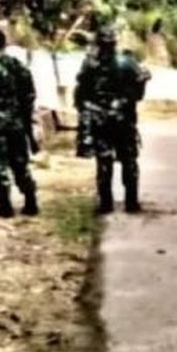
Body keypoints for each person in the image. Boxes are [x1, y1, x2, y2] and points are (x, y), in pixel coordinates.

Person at [75, 27, 150, 214]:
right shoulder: (122, 63)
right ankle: (123, 202)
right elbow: (138, 94)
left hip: (113, 121)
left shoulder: (98, 65)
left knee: (113, 162)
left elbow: (81, 98)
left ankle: (116, 202)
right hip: (114, 121)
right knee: (118, 162)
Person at [0, 29, 38, 218]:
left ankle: (5, 206)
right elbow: (30, 97)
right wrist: (28, 124)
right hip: (18, 124)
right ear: (5, 44)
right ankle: (30, 201)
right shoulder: (21, 68)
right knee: (20, 163)